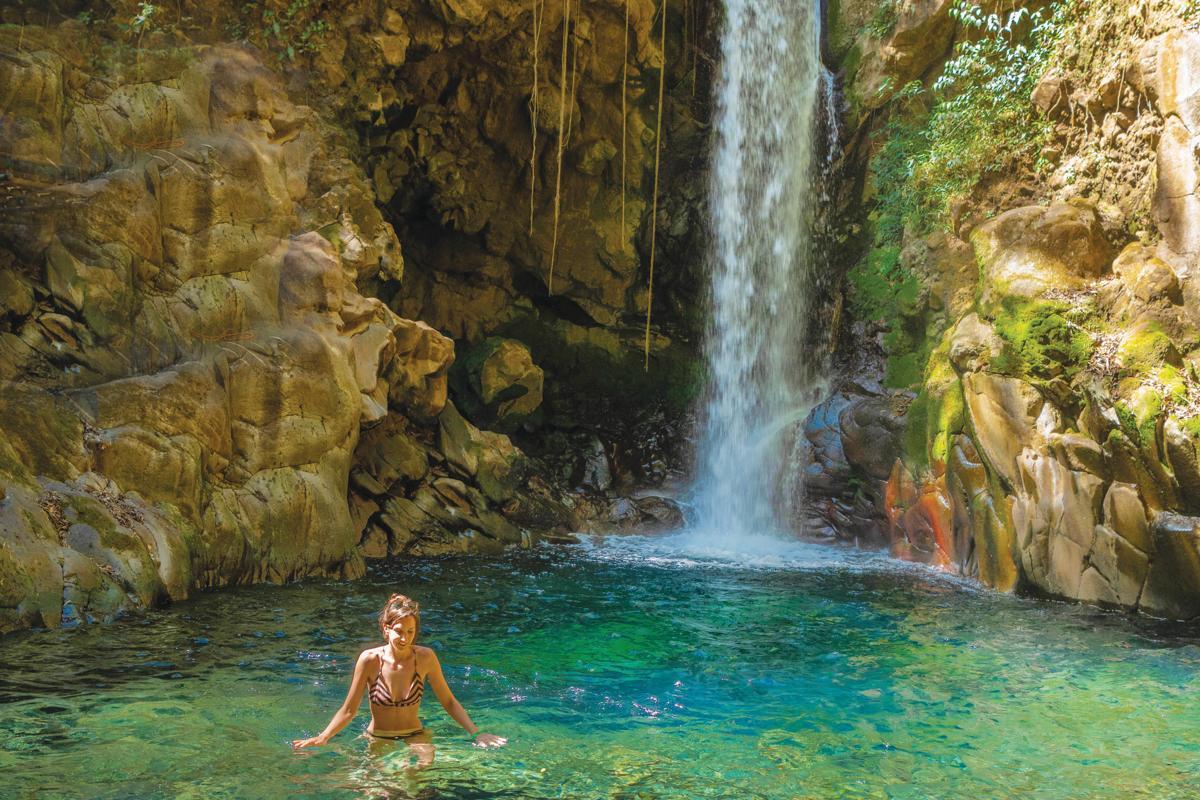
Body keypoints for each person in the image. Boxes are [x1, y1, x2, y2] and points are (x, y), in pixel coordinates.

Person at [292, 593, 507, 756]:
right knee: (374, 790)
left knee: (417, 781)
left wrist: (476, 733)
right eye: (399, 631)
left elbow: (449, 702)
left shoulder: (425, 658)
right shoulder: (369, 660)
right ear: (386, 629)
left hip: (416, 735)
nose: (404, 638)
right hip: (378, 737)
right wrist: (323, 737)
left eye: (410, 632)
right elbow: (349, 710)